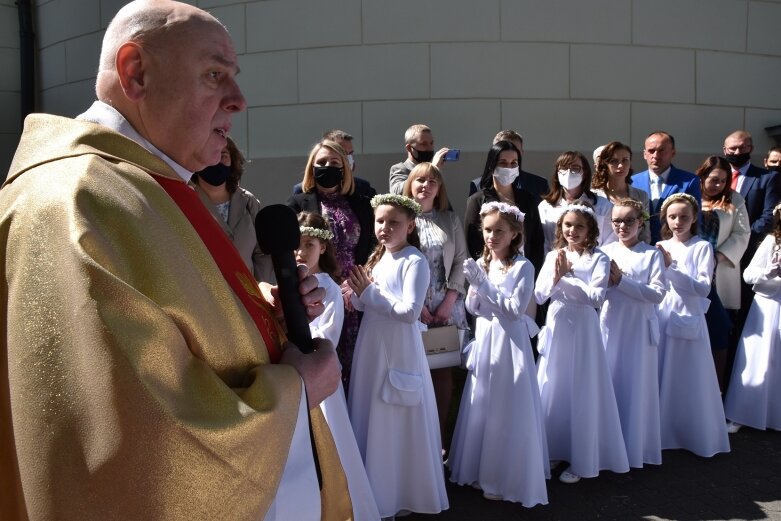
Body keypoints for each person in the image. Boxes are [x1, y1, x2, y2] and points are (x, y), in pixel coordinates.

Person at [0, 1, 350, 520]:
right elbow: (134, 446)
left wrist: (256, 321)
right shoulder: (75, 202)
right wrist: (294, 393)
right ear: (135, 73)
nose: (239, 100)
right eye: (215, 76)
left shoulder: (141, 183)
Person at [345, 194, 449, 519]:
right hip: (372, 348)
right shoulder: (379, 258)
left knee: (394, 416)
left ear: (410, 225)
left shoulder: (414, 261)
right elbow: (367, 303)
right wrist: (355, 294)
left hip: (399, 350)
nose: (385, 228)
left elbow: (409, 312)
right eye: (380, 221)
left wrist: (369, 293)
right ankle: (375, 494)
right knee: (371, 411)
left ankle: (400, 493)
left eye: (394, 222)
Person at [448, 202, 549, 507]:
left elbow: (515, 310)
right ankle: (480, 467)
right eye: (488, 230)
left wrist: (484, 286)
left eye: (499, 231)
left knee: (508, 401)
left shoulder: (524, 267)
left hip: (510, 341)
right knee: (484, 400)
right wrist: (477, 291)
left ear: (515, 233)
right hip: (487, 336)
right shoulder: (484, 262)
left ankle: (507, 474)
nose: (492, 236)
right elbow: (473, 309)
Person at [534, 203, 629, 484]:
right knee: (555, 384)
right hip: (558, 322)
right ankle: (553, 446)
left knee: (581, 386)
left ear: (590, 230)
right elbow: (540, 296)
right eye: (567, 225)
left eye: (579, 226)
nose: (572, 231)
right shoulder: (554, 255)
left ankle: (581, 455)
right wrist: (556, 276)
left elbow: (596, 297)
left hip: (585, 327)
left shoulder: (598, 258)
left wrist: (567, 278)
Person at [295, 212, 381, 521]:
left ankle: (342, 504)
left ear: (323, 247)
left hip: (318, 373)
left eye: (309, 244)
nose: (301, 251)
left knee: (329, 440)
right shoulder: (288, 284)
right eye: (296, 244)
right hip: (292, 376)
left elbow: (326, 333)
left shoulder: (329, 288)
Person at [287, 140, 374, 392]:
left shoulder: (361, 196)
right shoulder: (298, 199)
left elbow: (371, 242)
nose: (328, 166)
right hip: (319, 289)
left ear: (345, 167)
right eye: (322, 162)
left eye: (335, 162)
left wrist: (358, 279)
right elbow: (294, 247)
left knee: (355, 362)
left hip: (355, 289)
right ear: (311, 167)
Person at [655, 194, 730, 458]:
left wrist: (671, 269)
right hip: (664, 313)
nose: (678, 222)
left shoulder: (701, 247)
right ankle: (664, 431)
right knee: (664, 371)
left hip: (688, 315)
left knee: (689, 375)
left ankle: (693, 432)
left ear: (694, 218)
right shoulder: (661, 245)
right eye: (673, 217)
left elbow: (702, 288)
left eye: (684, 217)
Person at [402, 163, 468, 448]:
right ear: (410, 185)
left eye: (432, 181)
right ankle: (417, 443)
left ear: (439, 188)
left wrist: (449, 300)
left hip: (444, 310)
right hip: (412, 309)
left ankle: (440, 441)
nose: (425, 185)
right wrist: (417, 307)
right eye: (419, 180)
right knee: (413, 372)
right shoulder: (400, 219)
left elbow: (461, 261)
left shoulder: (449, 219)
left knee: (442, 373)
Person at [600, 199, 666, 468]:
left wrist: (622, 282)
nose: (622, 226)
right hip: (610, 325)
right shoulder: (604, 252)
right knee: (610, 382)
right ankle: (606, 445)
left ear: (641, 222)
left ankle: (635, 446)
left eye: (629, 220)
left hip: (638, 329)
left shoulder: (651, 255)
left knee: (635, 385)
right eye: (617, 221)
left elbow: (658, 294)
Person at [724, 203, 781, 433]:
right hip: (768, 306)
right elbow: (748, 275)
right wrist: (771, 271)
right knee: (760, 359)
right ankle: (745, 413)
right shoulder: (772, 241)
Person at [695, 156, 750, 390]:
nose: (717, 185)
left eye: (723, 181)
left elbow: (742, 233)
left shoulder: (734, 199)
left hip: (722, 271)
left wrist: (717, 257)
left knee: (720, 333)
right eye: (713, 179)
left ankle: (719, 389)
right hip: (694, 272)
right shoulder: (692, 197)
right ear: (703, 176)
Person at [193, 137, 273, 282]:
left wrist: (260, 288)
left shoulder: (249, 201)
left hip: (247, 294)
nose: (217, 160)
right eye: (211, 153)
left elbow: (263, 251)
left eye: (223, 155)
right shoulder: (187, 200)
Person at [464, 140, 545, 276]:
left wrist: (532, 273)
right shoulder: (477, 200)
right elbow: (473, 242)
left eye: (514, 163)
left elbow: (537, 239)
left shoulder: (528, 199)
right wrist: (486, 270)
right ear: (491, 166)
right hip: (491, 273)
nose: (509, 167)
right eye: (503, 163)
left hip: (524, 272)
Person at [631, 131, 701, 244]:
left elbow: (696, 220)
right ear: (644, 154)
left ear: (673, 153)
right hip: (640, 249)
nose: (656, 156)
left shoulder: (689, 181)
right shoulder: (632, 181)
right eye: (651, 151)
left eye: (661, 150)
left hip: (675, 249)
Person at [538, 151, 613, 255]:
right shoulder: (545, 207)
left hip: (593, 263)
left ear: (585, 172)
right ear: (557, 173)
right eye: (563, 168)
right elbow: (543, 244)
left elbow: (610, 243)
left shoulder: (602, 205)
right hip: (556, 263)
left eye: (575, 168)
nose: (569, 172)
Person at [592, 141, 651, 244]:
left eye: (625, 160)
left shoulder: (641, 195)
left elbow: (645, 234)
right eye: (614, 161)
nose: (620, 166)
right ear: (605, 164)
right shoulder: (593, 196)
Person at [292, 129, 377, 198]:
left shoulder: (362, 187)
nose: (348, 158)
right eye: (342, 152)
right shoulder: (302, 191)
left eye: (350, 153)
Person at [468, 130, 549, 198]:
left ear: (522, 153)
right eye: (504, 149)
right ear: (494, 153)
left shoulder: (539, 184)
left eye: (515, 150)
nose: (510, 154)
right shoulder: (478, 185)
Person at [389, 124, 450, 194]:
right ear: (409, 148)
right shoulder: (400, 168)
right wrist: (431, 170)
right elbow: (396, 192)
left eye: (431, 143)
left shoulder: (436, 169)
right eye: (423, 144)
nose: (430, 148)